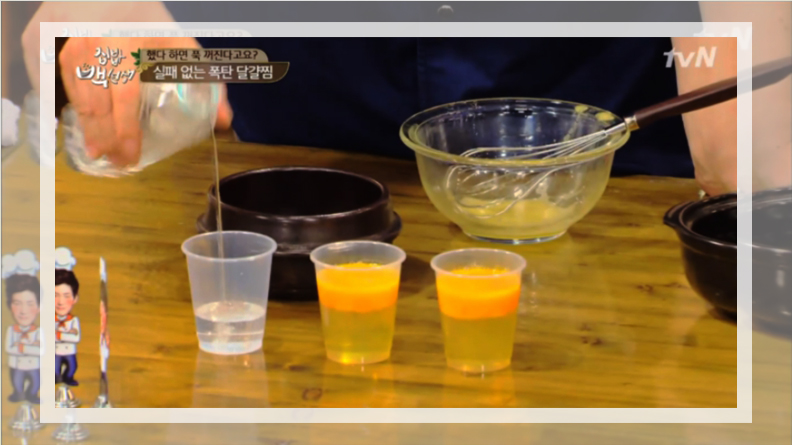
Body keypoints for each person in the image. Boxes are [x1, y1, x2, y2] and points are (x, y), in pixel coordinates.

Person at [21, 2, 791, 196]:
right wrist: (96, 36)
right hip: (293, 212)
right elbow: (71, 28)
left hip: (620, 207)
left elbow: (755, 174)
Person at [4, 272, 42, 404]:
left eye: (30, 304)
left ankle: (32, 394)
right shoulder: (11, 330)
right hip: (17, 365)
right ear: (10, 306)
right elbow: (9, 348)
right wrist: (31, 347)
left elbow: (41, 350)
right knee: (17, 384)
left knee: (36, 383)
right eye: (17, 303)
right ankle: (18, 394)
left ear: (38, 307)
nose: (23, 311)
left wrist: (21, 347)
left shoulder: (38, 331)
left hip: (34, 365)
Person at [55, 267, 81, 386]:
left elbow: (76, 338)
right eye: (55, 295)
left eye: (66, 296)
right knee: (55, 368)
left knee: (72, 367)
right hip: (56, 351)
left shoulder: (74, 320)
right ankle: (57, 378)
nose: (61, 302)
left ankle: (68, 377)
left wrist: (59, 335)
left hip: (70, 351)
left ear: (75, 299)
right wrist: (67, 334)